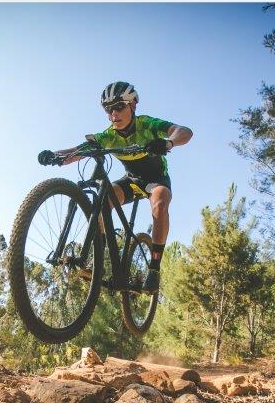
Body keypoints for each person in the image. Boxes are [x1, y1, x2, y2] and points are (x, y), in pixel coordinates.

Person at [46, 81, 193, 294]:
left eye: (118, 107)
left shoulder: (147, 124)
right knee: (102, 200)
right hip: (131, 181)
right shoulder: (109, 135)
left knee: (159, 204)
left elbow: (184, 131)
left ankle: (154, 268)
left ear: (133, 105)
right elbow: (79, 150)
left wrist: (168, 142)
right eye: (108, 109)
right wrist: (55, 156)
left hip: (156, 180)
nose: (113, 113)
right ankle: (97, 259)